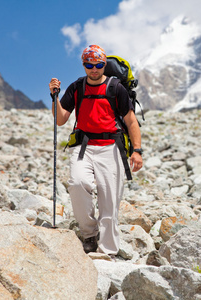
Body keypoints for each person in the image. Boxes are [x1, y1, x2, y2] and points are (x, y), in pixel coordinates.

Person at [48, 45, 143, 257]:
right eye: (89, 65)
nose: (94, 69)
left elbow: (131, 121)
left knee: (109, 202)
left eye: (99, 65)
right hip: (83, 147)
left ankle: (107, 251)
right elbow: (61, 119)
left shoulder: (115, 88)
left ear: (104, 65)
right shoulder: (77, 87)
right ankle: (89, 235)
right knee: (77, 184)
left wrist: (137, 151)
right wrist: (55, 97)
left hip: (111, 148)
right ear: (83, 65)